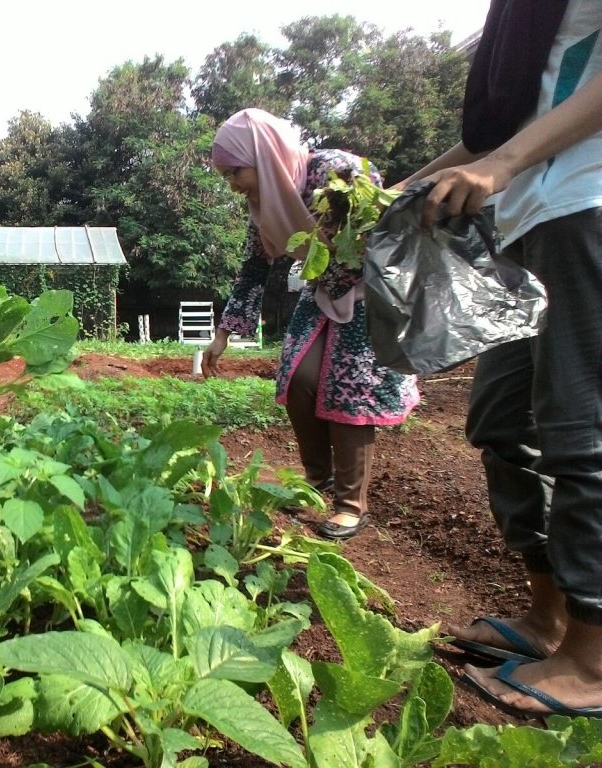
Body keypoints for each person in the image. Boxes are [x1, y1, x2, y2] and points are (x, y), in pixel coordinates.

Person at [396, 0, 602, 718]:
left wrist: (505, 163)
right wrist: (398, 192)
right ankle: (548, 618)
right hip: (526, 220)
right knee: (501, 421)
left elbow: (506, 149)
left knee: (581, 430)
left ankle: (593, 660)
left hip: (587, 201)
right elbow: (501, 130)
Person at [203, 108, 420, 540]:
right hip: (322, 290)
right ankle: (318, 481)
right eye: (225, 176)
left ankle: (351, 505)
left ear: (263, 156)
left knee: (350, 391)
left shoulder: (333, 171)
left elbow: (378, 228)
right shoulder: (265, 205)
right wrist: (222, 333)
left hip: (371, 292)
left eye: (235, 172)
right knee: (299, 378)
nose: (232, 184)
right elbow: (253, 267)